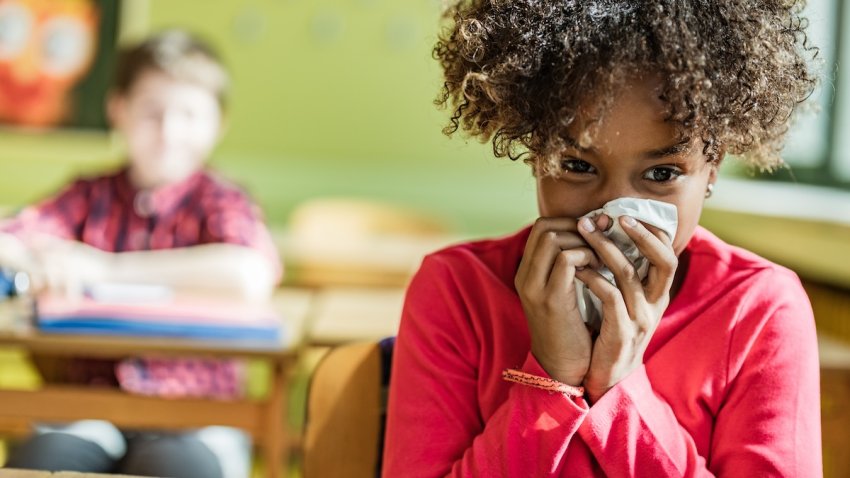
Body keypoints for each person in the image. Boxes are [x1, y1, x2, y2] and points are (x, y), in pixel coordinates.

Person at [383, 1, 822, 476]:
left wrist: (621, 380)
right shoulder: (456, 291)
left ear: (711, 169)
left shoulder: (759, 310)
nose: (612, 214)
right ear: (536, 157)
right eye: (577, 166)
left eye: (661, 173)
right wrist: (549, 376)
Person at [0, 30, 280, 478]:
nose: (169, 132)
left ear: (218, 123)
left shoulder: (223, 201)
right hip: (85, 410)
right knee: (43, 462)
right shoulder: (86, 196)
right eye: (152, 112)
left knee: (179, 467)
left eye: (189, 114)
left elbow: (250, 273)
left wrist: (104, 267)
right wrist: (33, 260)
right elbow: (9, 236)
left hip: (195, 419)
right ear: (119, 110)